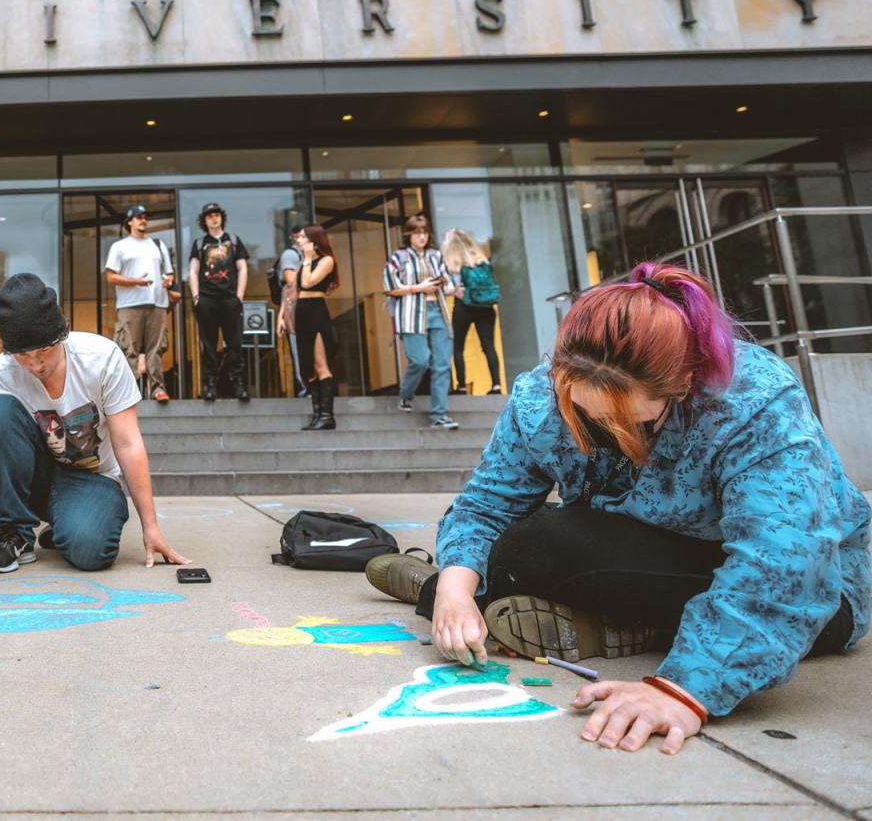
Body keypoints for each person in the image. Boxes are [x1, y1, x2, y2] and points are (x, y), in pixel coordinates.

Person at [364, 264, 869, 755]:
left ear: (682, 385)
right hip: (644, 555)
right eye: (586, 412)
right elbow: (487, 503)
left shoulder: (753, 399)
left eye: (628, 419)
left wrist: (683, 691)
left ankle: (615, 626)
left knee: (524, 554)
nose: (606, 430)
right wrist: (456, 589)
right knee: (527, 544)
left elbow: (784, 561)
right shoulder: (540, 396)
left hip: (812, 593)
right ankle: (461, 590)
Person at [0, 273, 189, 574]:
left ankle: (69, 521)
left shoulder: (101, 359)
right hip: (37, 477)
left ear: (62, 334)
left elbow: (128, 442)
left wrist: (151, 526)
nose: (36, 364)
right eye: (23, 356)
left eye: (44, 350)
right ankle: (16, 533)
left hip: (93, 480)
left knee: (91, 554)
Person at [383, 214, 459, 431]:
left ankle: (440, 415)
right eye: (417, 233)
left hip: (439, 312)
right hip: (411, 315)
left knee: (442, 365)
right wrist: (419, 288)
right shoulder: (399, 257)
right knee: (420, 360)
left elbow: (446, 284)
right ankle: (406, 394)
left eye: (424, 232)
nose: (421, 237)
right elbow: (390, 287)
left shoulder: (436, 256)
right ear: (408, 235)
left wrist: (454, 289)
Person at [104, 205, 175, 403]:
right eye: (138, 217)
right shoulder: (120, 247)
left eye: (145, 217)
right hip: (130, 304)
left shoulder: (158, 245)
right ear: (130, 222)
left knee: (155, 350)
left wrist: (169, 280)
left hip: (157, 303)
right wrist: (136, 281)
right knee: (130, 349)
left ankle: (158, 389)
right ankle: (129, 392)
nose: (143, 220)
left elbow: (169, 273)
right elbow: (110, 277)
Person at [278, 226, 340, 431]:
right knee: (309, 369)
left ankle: (327, 415)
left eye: (303, 237)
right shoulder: (303, 262)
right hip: (301, 312)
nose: (299, 240)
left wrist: (306, 258)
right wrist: (281, 317)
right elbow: (291, 290)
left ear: (315, 240)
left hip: (316, 312)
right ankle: (317, 415)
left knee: (321, 365)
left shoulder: (326, 260)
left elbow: (308, 281)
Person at [188, 202, 250, 403]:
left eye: (216, 215)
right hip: (207, 300)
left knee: (235, 344)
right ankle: (210, 384)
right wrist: (196, 297)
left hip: (230, 299)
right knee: (209, 344)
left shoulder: (233, 241)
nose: (214, 218)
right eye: (209, 216)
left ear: (221, 217)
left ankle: (238, 383)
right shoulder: (199, 244)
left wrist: (239, 295)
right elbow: (193, 271)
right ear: (204, 221)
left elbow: (242, 268)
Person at [442, 228, 503, 396]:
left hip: (464, 306)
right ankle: (496, 385)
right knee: (489, 346)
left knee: (457, 346)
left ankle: (461, 386)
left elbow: (454, 288)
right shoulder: (482, 260)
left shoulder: (454, 261)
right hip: (486, 307)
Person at [274, 225, 307, 397]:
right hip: (294, 309)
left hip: (310, 307)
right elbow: (291, 283)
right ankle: (305, 388)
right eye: (300, 236)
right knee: (298, 349)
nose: (303, 240)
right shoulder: (291, 255)